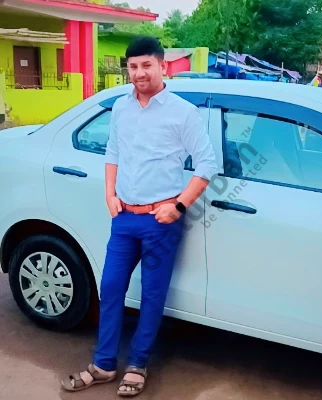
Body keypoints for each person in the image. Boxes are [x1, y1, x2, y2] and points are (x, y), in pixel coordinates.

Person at [61, 35, 218, 397]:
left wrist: (178, 206)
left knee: (152, 293)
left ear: (163, 66)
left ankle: (138, 364)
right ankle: (103, 365)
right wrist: (109, 194)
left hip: (160, 222)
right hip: (124, 218)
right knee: (111, 287)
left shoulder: (183, 112)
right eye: (133, 66)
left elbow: (207, 165)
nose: (139, 73)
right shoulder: (121, 107)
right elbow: (113, 151)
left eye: (146, 65)